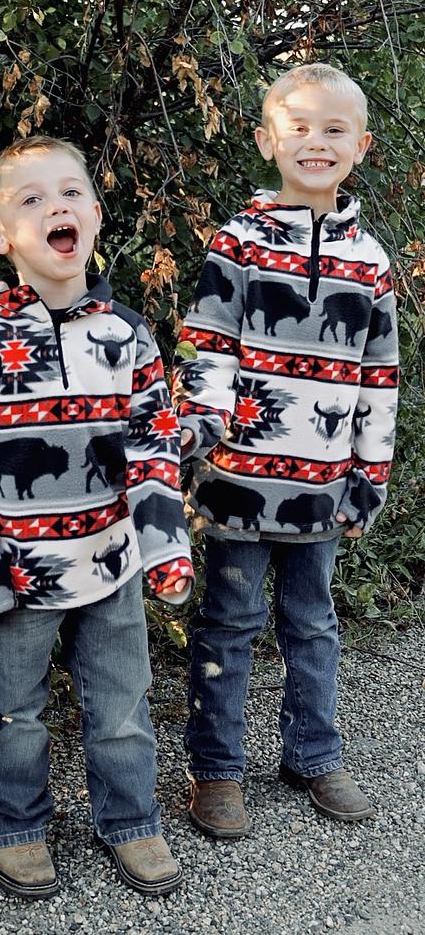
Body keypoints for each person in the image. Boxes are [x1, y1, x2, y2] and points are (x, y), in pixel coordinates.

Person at [0, 135, 194, 900]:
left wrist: (164, 547)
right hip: (19, 570)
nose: (57, 205)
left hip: (112, 561)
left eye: (72, 191)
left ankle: (132, 817)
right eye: (32, 198)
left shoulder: (128, 335)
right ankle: (14, 825)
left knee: (122, 705)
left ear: (96, 214)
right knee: (14, 711)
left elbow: (153, 447)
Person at [175, 63, 399, 839]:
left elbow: (379, 378)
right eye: (298, 126)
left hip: (323, 489)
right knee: (229, 623)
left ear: (360, 146)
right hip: (240, 480)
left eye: (334, 129)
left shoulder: (371, 261)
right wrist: (197, 431)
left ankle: (313, 754)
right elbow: (207, 347)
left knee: (312, 623)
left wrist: (369, 475)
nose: (315, 141)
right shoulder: (237, 243)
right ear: (267, 139)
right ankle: (216, 767)